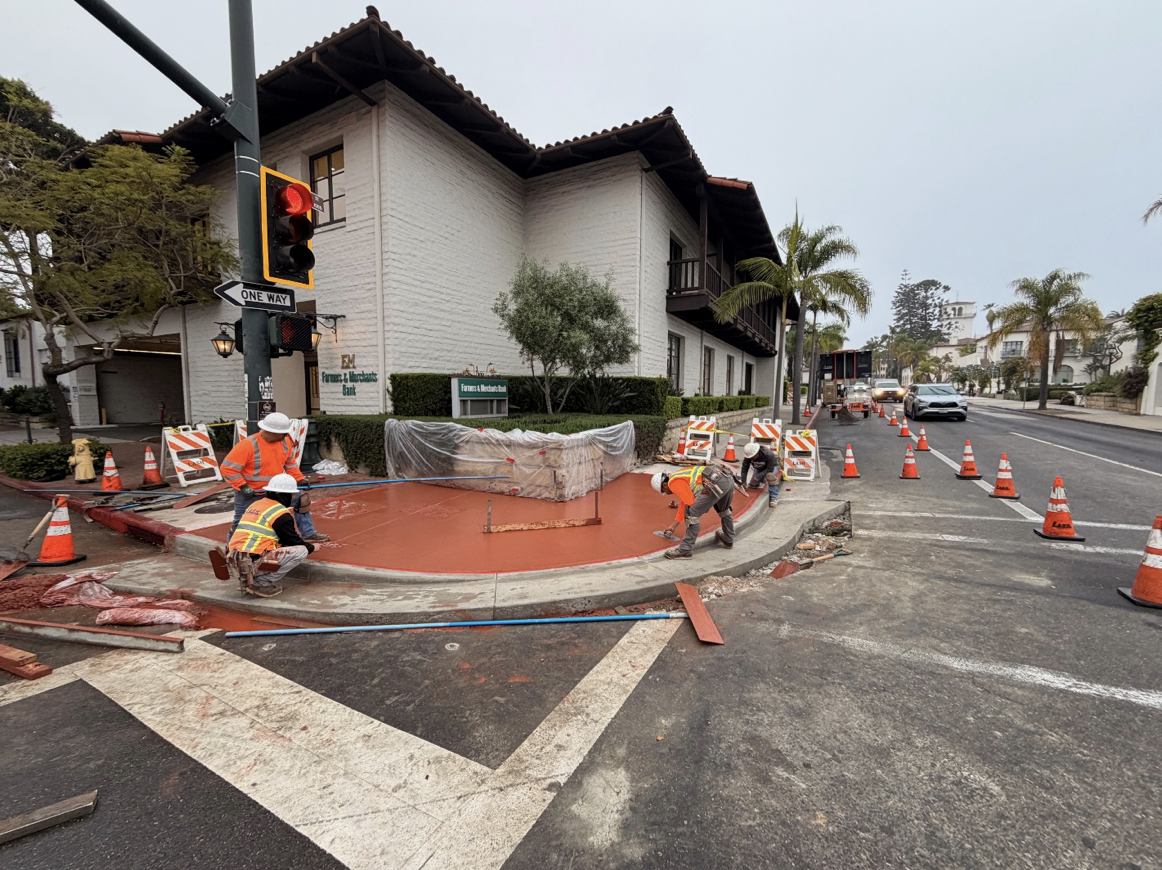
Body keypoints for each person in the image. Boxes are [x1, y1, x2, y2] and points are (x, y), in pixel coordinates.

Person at [221, 411, 329, 542]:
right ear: (271, 431)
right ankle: (232, 547)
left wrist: (299, 479)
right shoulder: (248, 445)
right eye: (283, 432)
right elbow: (228, 469)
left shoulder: (285, 443)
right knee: (242, 521)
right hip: (251, 492)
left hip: (276, 490)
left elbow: (290, 464)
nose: (286, 435)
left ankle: (308, 533)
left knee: (301, 500)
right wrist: (243, 486)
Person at [216, 473, 314, 598]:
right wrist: (311, 547)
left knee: (277, 545)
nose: (294, 497)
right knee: (301, 551)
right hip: (250, 563)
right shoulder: (281, 513)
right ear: (285, 495)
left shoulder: (256, 505)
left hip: (234, 560)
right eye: (292, 495)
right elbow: (292, 540)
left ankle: (247, 579)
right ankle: (260, 583)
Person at [650, 465, 734, 559]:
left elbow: (689, 503)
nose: (666, 493)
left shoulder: (673, 483)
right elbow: (684, 501)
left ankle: (685, 550)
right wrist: (673, 526)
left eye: (664, 491)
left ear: (665, 485)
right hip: (727, 480)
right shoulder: (678, 475)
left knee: (692, 513)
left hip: (715, 484)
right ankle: (728, 538)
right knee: (724, 510)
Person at [739, 442, 782, 508]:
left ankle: (774, 498)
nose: (752, 458)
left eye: (753, 456)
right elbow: (744, 469)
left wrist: (759, 476)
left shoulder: (769, 455)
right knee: (753, 484)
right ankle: (763, 479)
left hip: (772, 467)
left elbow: (770, 469)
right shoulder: (748, 457)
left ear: (757, 452)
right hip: (760, 468)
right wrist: (744, 482)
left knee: (770, 476)